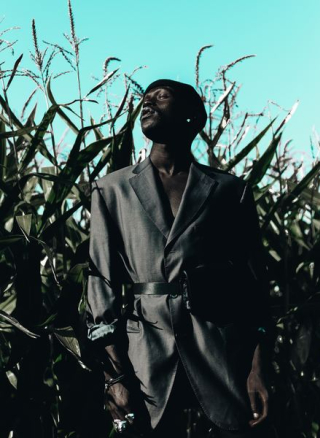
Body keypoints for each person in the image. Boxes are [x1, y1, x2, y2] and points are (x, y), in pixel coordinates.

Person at [86, 79, 272, 437]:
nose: (148, 103)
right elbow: (101, 286)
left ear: (192, 117)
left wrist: (258, 368)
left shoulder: (230, 191)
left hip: (219, 353)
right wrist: (114, 377)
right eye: (145, 98)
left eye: (162, 96)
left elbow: (254, 290)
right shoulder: (112, 190)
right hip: (144, 356)